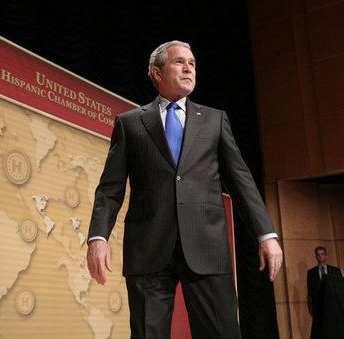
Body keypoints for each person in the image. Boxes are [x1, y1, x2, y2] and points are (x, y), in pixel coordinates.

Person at [86, 40, 283, 338]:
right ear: (157, 72)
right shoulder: (129, 124)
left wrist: (266, 234)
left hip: (207, 246)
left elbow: (241, 180)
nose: (189, 67)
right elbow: (110, 189)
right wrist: (97, 237)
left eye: (192, 62)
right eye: (179, 62)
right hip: (149, 249)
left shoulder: (215, 120)